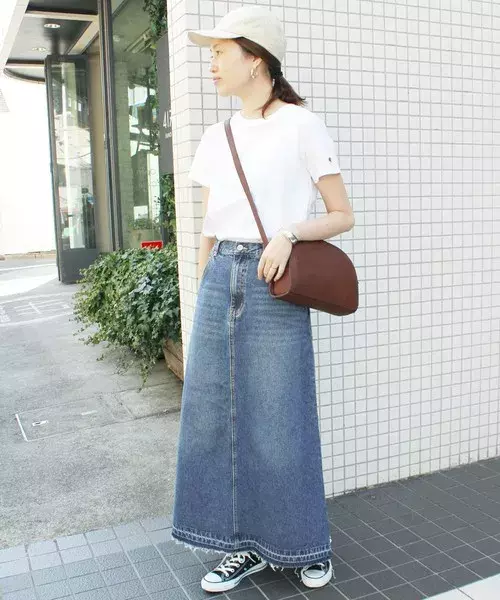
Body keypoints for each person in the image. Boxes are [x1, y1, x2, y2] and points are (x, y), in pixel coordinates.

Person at [171, 5, 355, 594]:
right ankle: (240, 546)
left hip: (273, 281)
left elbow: (342, 214)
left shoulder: (302, 125)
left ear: (255, 59)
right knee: (213, 417)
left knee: (280, 419)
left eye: (220, 53)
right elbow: (210, 223)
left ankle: (304, 545)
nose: (211, 64)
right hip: (220, 276)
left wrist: (288, 233)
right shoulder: (216, 135)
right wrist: (203, 281)